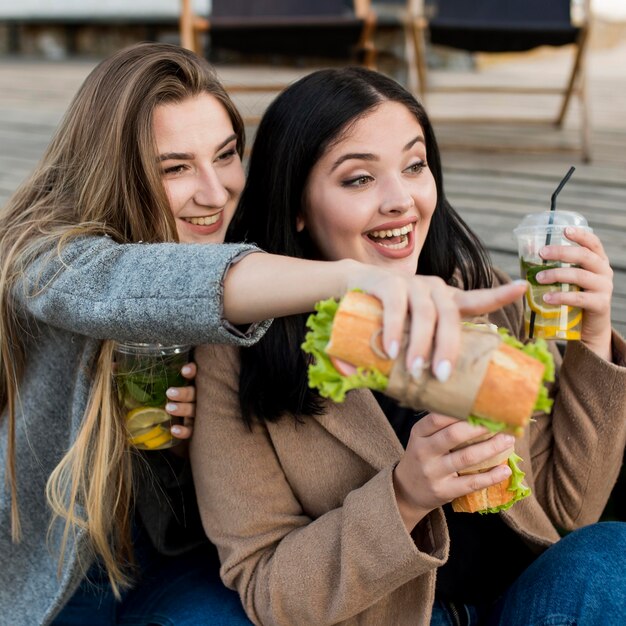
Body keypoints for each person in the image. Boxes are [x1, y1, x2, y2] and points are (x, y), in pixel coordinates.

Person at [0, 44, 525, 626]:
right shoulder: (46, 257)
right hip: (59, 570)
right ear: (117, 171)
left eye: (226, 156)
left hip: (182, 559)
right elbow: (132, 286)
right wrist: (360, 278)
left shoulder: (254, 273)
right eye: (174, 167)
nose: (216, 190)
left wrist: (179, 454)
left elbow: (227, 514)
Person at [191, 67, 626, 625]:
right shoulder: (237, 351)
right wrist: (405, 495)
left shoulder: (483, 293)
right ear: (297, 206)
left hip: (525, 604)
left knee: (611, 555)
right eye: (358, 179)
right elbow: (268, 589)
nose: (401, 200)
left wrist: (591, 333)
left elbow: (569, 509)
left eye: (414, 165)